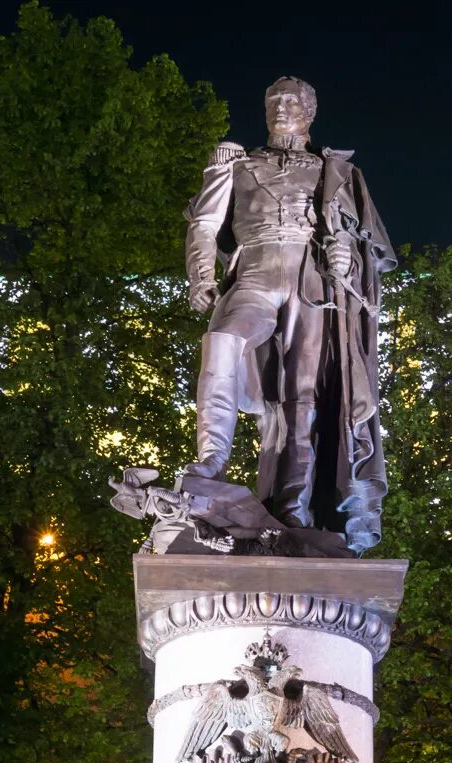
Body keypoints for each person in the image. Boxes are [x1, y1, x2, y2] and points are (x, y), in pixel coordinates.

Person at [183, 77, 396, 554]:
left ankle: (294, 510)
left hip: (312, 281)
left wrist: (348, 258)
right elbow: (204, 223)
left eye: (292, 102)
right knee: (221, 342)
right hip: (254, 273)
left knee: (305, 397)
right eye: (274, 101)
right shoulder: (236, 164)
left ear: (310, 113)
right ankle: (209, 464)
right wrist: (201, 277)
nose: (281, 109)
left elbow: (366, 243)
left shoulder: (336, 171)